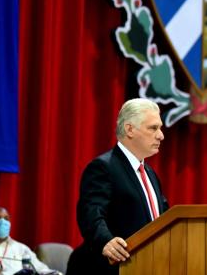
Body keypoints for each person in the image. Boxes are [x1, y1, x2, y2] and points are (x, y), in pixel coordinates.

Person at [66, 98, 168, 275]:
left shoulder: (150, 174)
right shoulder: (103, 167)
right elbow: (91, 212)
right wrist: (106, 241)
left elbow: (165, 219)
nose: (161, 135)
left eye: (159, 128)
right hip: (109, 267)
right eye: (153, 128)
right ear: (130, 129)